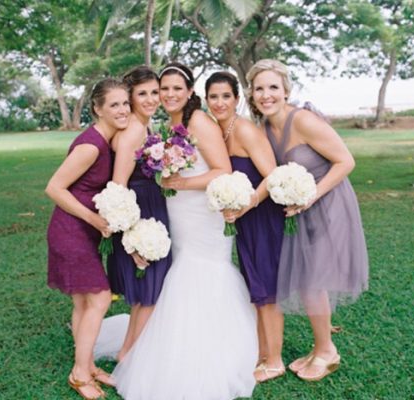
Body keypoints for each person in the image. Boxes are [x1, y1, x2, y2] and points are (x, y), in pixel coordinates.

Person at [112, 62, 258, 400]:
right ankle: (175, 339)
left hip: (202, 213)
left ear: (189, 91)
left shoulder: (199, 121)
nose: (169, 94)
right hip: (177, 211)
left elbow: (222, 169)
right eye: (164, 89)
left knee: (201, 272)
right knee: (179, 273)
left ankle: (209, 349)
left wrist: (182, 182)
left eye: (177, 88)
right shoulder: (169, 125)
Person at [246, 59, 369, 381]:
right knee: (306, 279)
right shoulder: (263, 129)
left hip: (328, 202)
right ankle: (318, 348)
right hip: (299, 208)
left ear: (286, 90)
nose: (266, 94)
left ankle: (327, 351)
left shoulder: (302, 120)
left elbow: (345, 161)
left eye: (273, 87)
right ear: (252, 93)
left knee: (313, 279)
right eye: (259, 88)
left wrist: (311, 195)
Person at [46, 78, 130, 399]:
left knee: (83, 303)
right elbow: (54, 187)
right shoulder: (91, 145)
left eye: (125, 103)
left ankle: (88, 363)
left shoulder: (108, 141)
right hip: (71, 231)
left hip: (83, 233)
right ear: (97, 109)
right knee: (99, 298)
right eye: (114, 105)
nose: (122, 110)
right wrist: (94, 217)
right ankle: (80, 373)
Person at [205, 71, 286, 383]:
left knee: (267, 290)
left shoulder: (245, 130)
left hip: (262, 217)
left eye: (226, 96)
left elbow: (272, 175)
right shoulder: (219, 130)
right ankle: (263, 350)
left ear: (237, 99)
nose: (220, 102)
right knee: (256, 286)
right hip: (245, 221)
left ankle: (275, 360)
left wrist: (246, 204)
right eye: (214, 97)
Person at [107, 66, 172, 361]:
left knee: (148, 293)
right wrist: (132, 241)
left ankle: (128, 353)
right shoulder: (133, 129)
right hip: (139, 215)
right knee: (150, 293)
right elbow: (118, 188)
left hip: (150, 205)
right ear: (130, 97)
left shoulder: (144, 126)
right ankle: (130, 356)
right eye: (142, 94)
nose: (150, 99)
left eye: (154, 92)